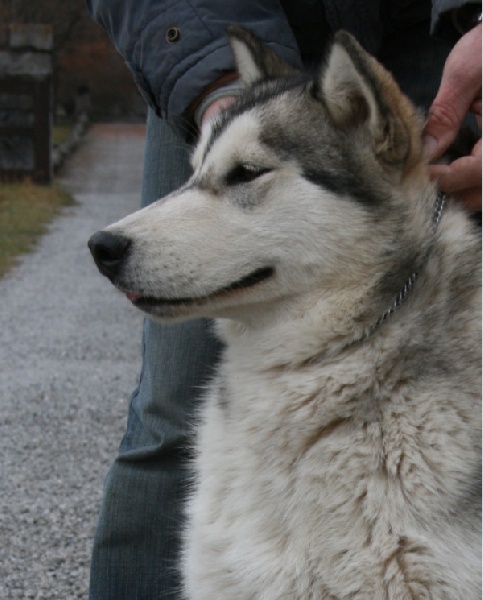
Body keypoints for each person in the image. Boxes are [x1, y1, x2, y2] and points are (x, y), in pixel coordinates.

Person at [85, 1, 481, 598]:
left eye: (243, 176)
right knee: (170, 416)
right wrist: (215, 82)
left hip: (446, 29)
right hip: (215, 15)